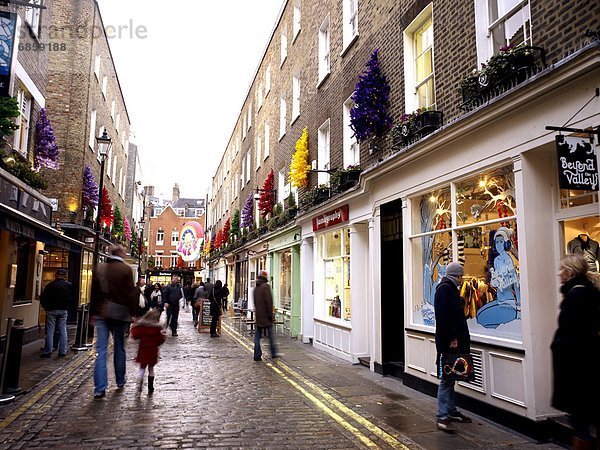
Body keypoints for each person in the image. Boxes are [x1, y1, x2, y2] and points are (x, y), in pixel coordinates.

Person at [551, 254, 600, 449]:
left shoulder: (576, 295)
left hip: (576, 363)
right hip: (588, 359)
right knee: (587, 412)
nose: (558, 273)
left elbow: (572, 329)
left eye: (562, 269)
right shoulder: (590, 291)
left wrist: (559, 345)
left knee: (579, 415)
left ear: (569, 273)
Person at [90, 245, 137, 399]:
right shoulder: (125, 270)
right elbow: (131, 294)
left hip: (102, 314)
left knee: (101, 351)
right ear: (121, 253)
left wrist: (93, 314)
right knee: (119, 348)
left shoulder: (100, 268)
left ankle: (99, 389)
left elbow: (94, 294)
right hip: (120, 314)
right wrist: (133, 314)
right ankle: (120, 380)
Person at [434, 262, 472, 432]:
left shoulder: (450, 289)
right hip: (449, 342)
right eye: (460, 276)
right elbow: (442, 316)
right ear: (455, 275)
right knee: (446, 378)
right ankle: (442, 416)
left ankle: (450, 411)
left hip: (454, 340)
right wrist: (452, 338)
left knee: (451, 378)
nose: (461, 279)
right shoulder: (444, 289)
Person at [130, 308, 166, 394]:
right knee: (151, 368)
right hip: (153, 351)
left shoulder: (142, 326)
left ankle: (139, 381)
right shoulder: (157, 329)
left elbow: (135, 335)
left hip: (143, 349)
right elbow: (160, 340)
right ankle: (150, 386)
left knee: (142, 367)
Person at [39, 269, 73, 358]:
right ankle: (62, 351)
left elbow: (43, 298)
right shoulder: (69, 285)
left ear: (56, 275)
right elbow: (72, 298)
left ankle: (48, 351)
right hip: (63, 310)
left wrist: (46, 307)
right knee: (63, 330)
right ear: (64, 276)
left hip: (51, 310)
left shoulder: (50, 285)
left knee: (50, 330)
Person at [253, 270, 278, 361]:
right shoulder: (266, 287)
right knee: (271, 336)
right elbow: (269, 302)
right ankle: (273, 353)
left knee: (257, 337)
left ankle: (256, 355)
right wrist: (271, 316)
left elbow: (255, 303)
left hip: (259, 317)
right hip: (266, 317)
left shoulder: (256, 288)